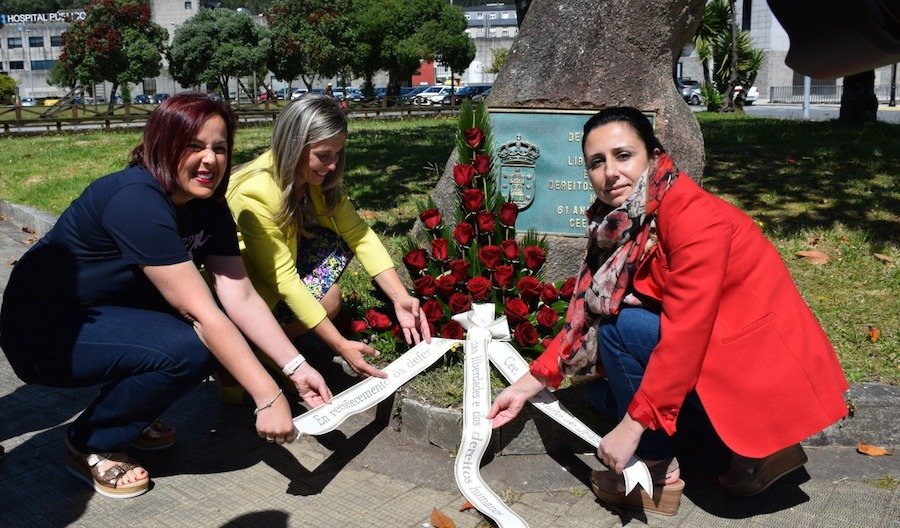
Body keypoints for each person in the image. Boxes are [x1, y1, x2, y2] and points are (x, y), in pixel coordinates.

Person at [486, 107, 848, 515]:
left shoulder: (694, 219)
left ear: (654, 155)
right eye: (597, 162)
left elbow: (685, 332)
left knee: (618, 331)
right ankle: (753, 450)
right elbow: (585, 313)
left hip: (756, 365)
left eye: (624, 156)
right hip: (724, 351)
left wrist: (632, 428)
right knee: (603, 393)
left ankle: (658, 470)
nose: (610, 172)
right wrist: (527, 384)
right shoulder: (627, 220)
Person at [0, 93, 333, 499]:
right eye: (194, 146)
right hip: (43, 333)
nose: (209, 159)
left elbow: (240, 295)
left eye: (220, 147)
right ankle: (90, 442)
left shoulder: (207, 204)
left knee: (201, 333)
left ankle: (129, 415)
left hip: (103, 313)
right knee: (190, 346)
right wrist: (268, 396)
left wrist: (296, 369)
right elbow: (203, 315)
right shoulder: (135, 199)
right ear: (162, 144)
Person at [226, 94, 431, 386]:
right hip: (246, 294)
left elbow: (358, 234)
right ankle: (243, 352)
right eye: (324, 154)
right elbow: (283, 279)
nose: (333, 165)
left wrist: (400, 298)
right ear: (293, 146)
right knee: (328, 297)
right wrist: (340, 345)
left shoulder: (313, 178)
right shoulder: (255, 192)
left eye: (338, 153)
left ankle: (262, 348)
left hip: (275, 274)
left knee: (331, 295)